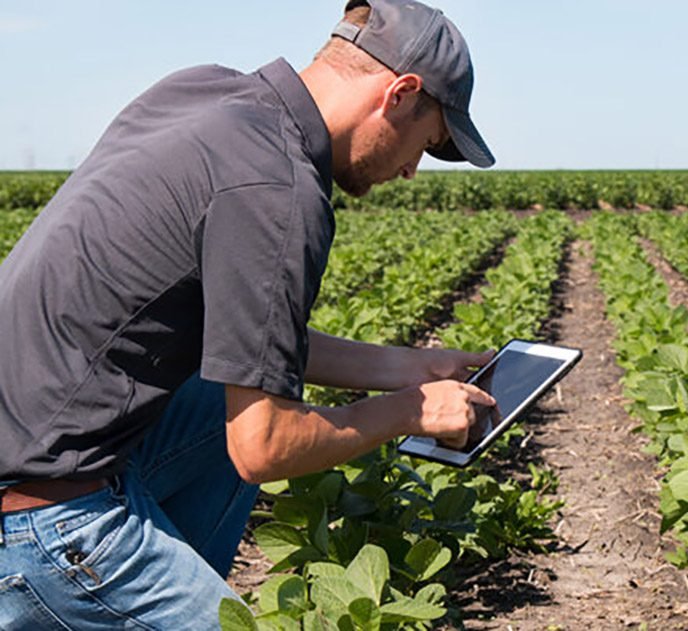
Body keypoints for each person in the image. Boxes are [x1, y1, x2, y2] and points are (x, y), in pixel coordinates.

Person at [0, 1, 496, 627]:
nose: (408, 170)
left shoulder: (201, 93)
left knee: (215, 398)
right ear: (399, 93)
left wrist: (409, 368)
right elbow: (263, 447)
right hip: (42, 523)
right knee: (250, 429)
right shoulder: (280, 191)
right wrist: (412, 411)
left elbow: (254, 343)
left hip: (28, 460)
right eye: (422, 145)